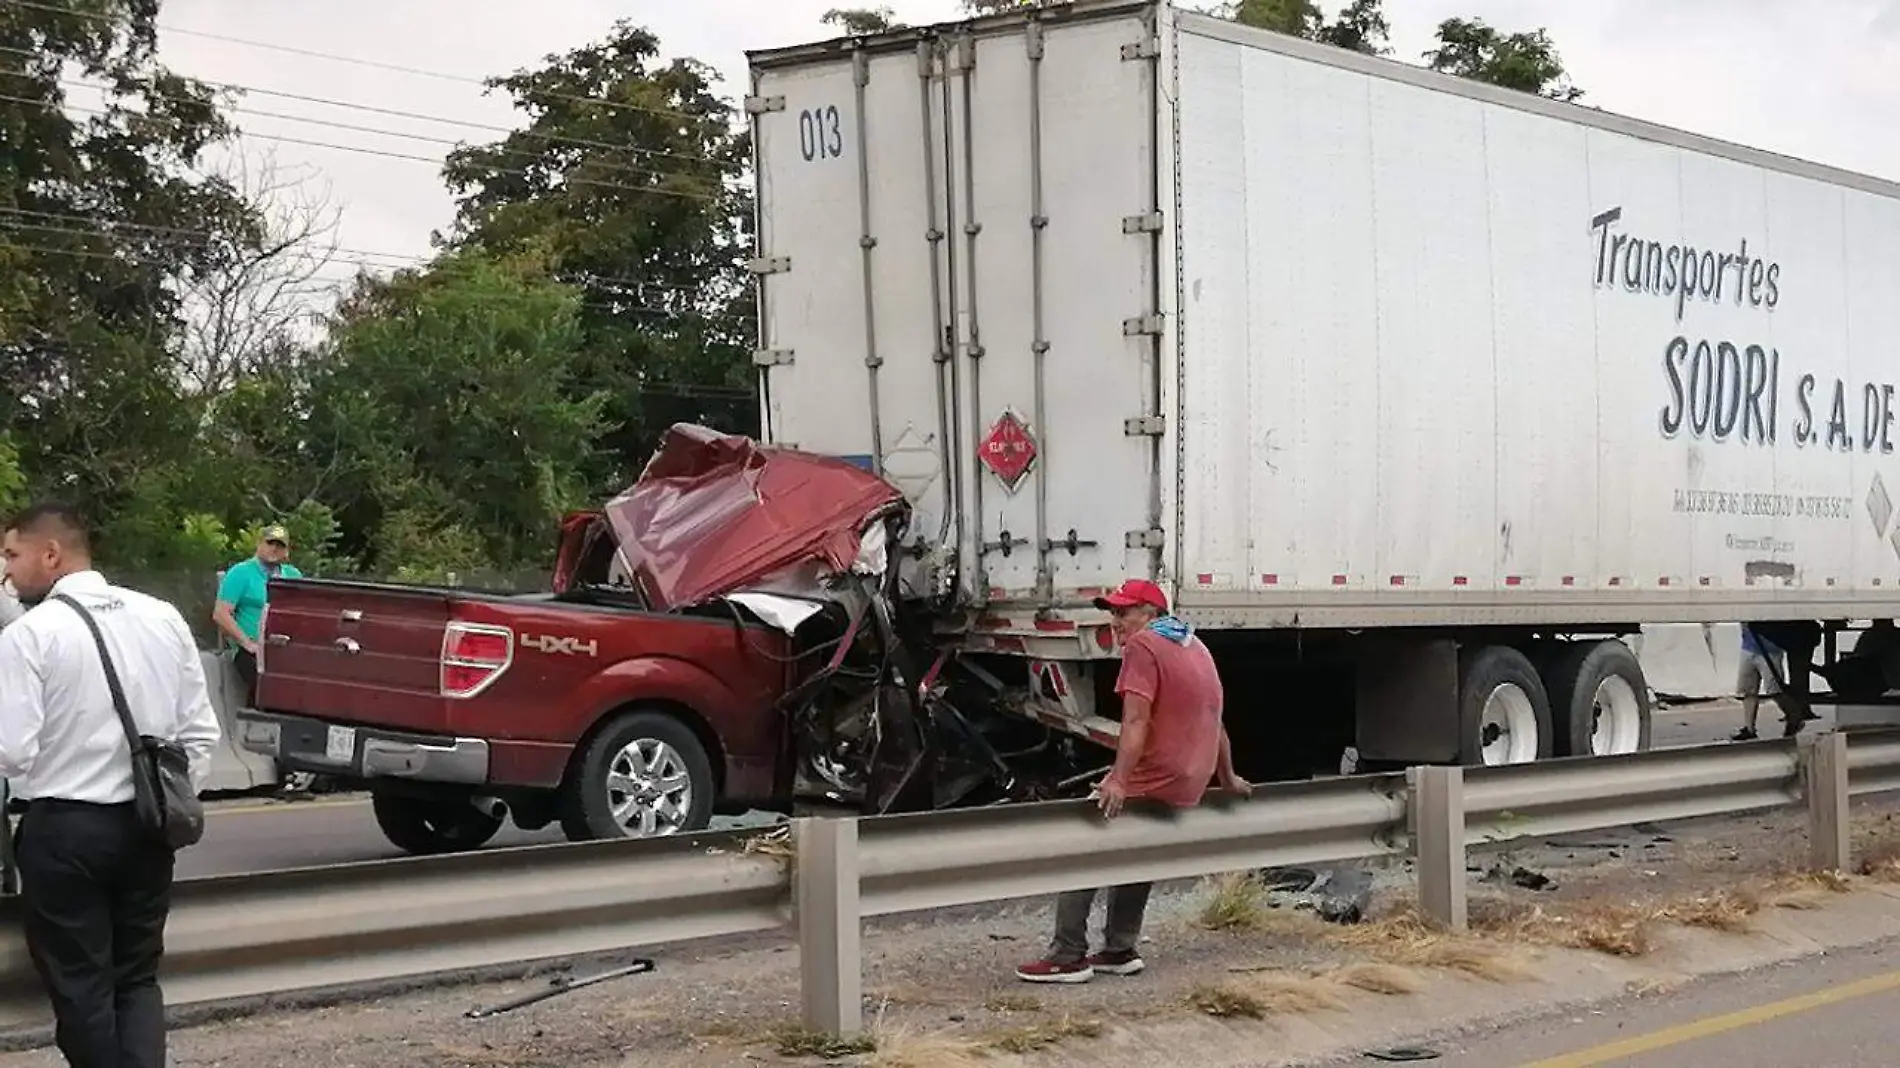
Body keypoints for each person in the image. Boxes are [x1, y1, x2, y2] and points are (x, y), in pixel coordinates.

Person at [0, 501, 222, 1068]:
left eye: (12, 553)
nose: (6, 570)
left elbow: (11, 750)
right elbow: (199, 734)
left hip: (66, 829)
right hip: (150, 827)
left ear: (50, 554)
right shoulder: (163, 617)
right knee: (137, 979)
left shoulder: (31, 635)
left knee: (81, 988)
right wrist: (162, 802)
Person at [1015, 578, 1250, 983]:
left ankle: (1067, 955)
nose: (1116, 622)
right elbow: (1215, 720)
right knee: (1136, 847)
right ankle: (1120, 948)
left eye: (1123, 613)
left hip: (1156, 770)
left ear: (1151, 615)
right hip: (1190, 776)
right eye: (1112, 613)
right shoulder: (1196, 646)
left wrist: (1119, 780)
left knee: (1083, 843)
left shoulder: (1143, 646)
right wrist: (1227, 777)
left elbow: (1136, 720)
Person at [211, 524, 301, 704]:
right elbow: (221, 614)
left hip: (283, 648)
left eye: (280, 545)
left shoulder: (293, 575)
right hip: (249, 647)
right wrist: (246, 643)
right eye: (270, 543)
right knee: (266, 685)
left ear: (286, 552)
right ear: (260, 544)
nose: (274, 548)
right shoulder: (241, 572)